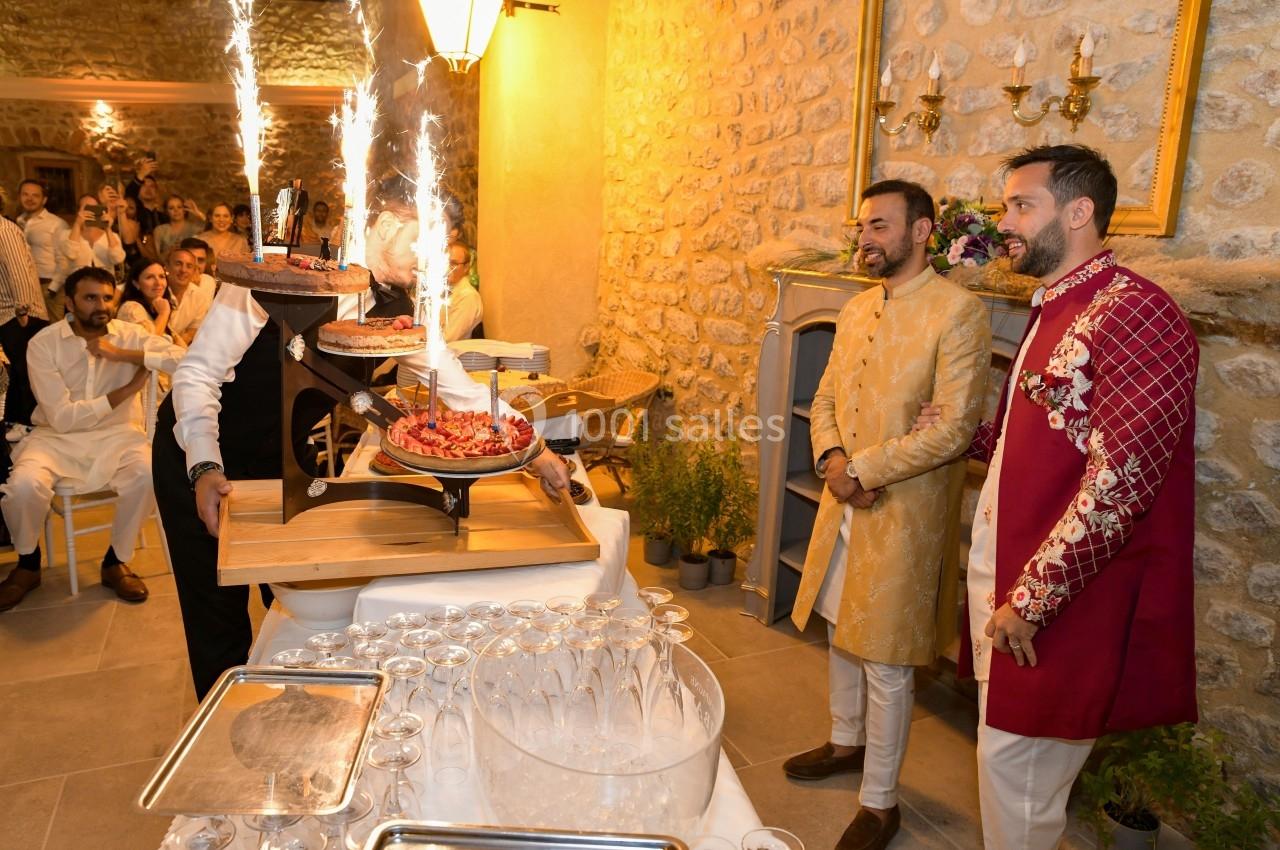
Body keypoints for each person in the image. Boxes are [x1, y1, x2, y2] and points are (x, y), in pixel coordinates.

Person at [157, 179, 573, 700]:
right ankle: (225, 735)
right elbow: (198, 375)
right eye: (428, 242)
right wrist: (204, 466)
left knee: (301, 602)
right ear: (386, 226)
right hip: (200, 455)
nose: (437, 262)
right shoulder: (284, 274)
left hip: (286, 460)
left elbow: (462, 391)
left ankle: (295, 712)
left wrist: (537, 450)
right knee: (217, 620)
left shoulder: (399, 306)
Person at [915, 145, 1199, 849]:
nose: (1002, 220)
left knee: (1020, 787)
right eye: (1005, 204)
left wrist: (1035, 600)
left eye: (1021, 205)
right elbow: (1046, 431)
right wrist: (971, 438)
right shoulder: (1055, 303)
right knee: (1007, 777)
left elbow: (1121, 480)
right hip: (1011, 582)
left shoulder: (1135, 310)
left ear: (1079, 212)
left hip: (1064, 605)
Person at [784, 180, 990, 850]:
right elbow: (825, 400)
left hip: (904, 511)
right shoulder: (854, 311)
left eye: (879, 226)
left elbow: (955, 427)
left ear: (923, 231)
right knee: (840, 625)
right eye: (862, 227)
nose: (865, 240)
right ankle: (845, 742)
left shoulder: (958, 312)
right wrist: (834, 461)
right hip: (845, 496)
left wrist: (864, 472)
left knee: (887, 661)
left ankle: (881, 803)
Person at [0, 266, 183, 611]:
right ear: (69, 302)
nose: (101, 305)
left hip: (118, 435)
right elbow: (63, 418)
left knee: (148, 472)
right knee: (23, 486)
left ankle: (115, 561)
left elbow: (183, 359)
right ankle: (27, 564)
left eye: (106, 297)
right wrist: (127, 390)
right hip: (55, 437)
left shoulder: (128, 335)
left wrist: (123, 355)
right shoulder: (44, 343)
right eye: (89, 297)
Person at [0, 215, 51, 441]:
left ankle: (22, 422)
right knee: (25, 372)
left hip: (15, 313)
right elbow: (14, 271)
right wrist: (21, 309)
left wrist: (22, 309)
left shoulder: (4, 229)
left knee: (25, 372)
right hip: (14, 313)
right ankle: (20, 421)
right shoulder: (4, 229)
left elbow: (16, 270)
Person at [54, 193, 126, 286]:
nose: (90, 212)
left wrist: (108, 229)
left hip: (105, 286)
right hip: (78, 286)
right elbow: (71, 254)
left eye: (94, 208)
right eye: (86, 208)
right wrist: (77, 225)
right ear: (78, 211)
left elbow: (117, 259)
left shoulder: (112, 236)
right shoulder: (66, 234)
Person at [15, 179, 68, 302]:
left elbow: (65, 259)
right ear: (19, 197)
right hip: (25, 287)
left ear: (44, 200)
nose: (30, 198)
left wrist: (53, 289)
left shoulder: (57, 224)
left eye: (35, 195)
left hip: (49, 286)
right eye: (25, 194)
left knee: (54, 322)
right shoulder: (18, 222)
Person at [117, 258, 174, 339]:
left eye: (162, 277)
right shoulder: (130, 308)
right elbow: (148, 344)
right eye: (150, 277)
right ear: (136, 283)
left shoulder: (157, 308)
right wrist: (163, 314)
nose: (158, 283)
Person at [443, 240, 483, 341]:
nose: (447, 268)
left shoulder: (468, 296)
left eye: (453, 263)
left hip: (455, 355)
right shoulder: (445, 291)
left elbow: (448, 338)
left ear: (466, 267)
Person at [152, 195, 205, 260]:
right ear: (166, 212)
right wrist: (170, 251)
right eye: (171, 208)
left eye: (179, 207)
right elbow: (156, 257)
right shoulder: (159, 230)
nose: (176, 210)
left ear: (185, 210)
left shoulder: (195, 229)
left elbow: (210, 231)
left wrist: (198, 214)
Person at [125, 156, 167, 236]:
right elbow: (129, 194)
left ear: (156, 191)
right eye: (144, 185)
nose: (148, 189)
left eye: (152, 186)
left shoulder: (163, 217)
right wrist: (141, 174)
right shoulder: (134, 213)